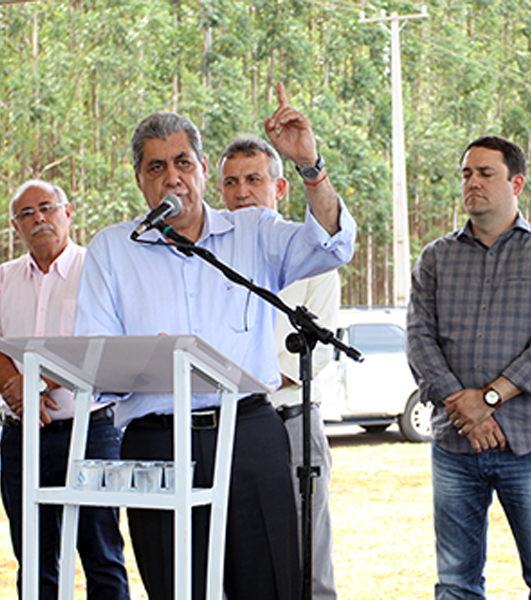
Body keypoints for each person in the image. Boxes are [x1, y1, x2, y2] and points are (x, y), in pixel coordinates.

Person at [74, 83, 355, 600]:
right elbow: (95, 362)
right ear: (140, 181)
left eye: (182, 162)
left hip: (248, 433)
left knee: (270, 582)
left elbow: (332, 243)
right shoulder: (113, 249)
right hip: (157, 444)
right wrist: (149, 362)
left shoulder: (254, 231)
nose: (171, 177)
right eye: (155, 168)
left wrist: (310, 166)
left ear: (203, 169)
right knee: (176, 587)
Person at [406, 135, 531, 599]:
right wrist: (461, 407)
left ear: (516, 182)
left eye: (486, 173)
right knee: (455, 583)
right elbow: (419, 340)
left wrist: (487, 400)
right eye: (467, 173)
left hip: (530, 445)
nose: (473, 183)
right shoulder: (436, 258)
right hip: (454, 444)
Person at [0, 180, 129, 600]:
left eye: (46, 207)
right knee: (33, 561)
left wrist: (36, 384)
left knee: (102, 556)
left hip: (90, 432)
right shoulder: (2, 279)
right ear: (15, 226)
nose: (38, 219)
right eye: (26, 214)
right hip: (23, 437)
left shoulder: (96, 269)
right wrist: (16, 390)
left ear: (68, 213)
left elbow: (98, 339)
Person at [218, 134, 340, 599]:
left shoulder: (311, 254)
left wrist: (236, 382)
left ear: (279, 188)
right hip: (222, 430)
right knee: (233, 558)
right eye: (231, 182)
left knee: (308, 560)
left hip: (289, 424)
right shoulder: (206, 257)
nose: (241, 191)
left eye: (253, 179)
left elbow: (310, 354)